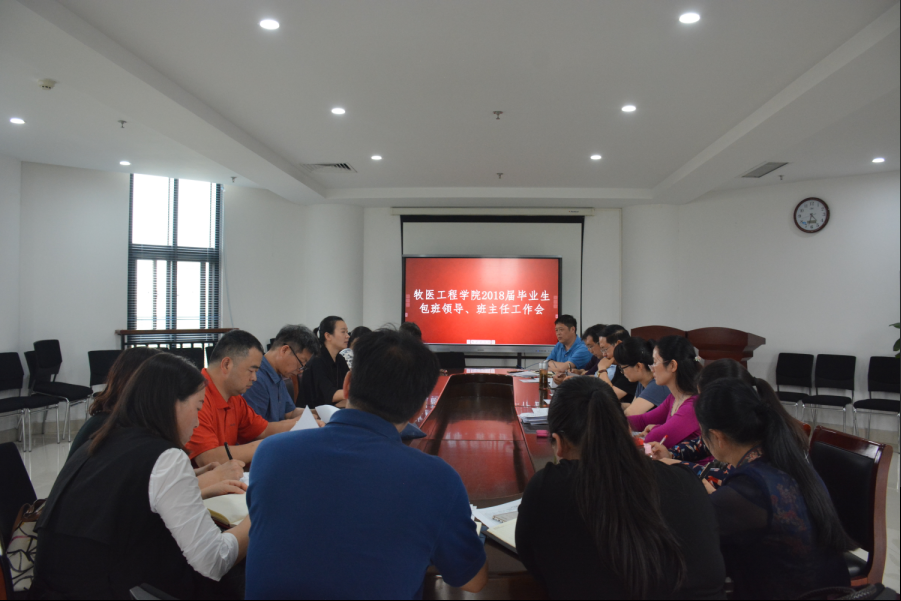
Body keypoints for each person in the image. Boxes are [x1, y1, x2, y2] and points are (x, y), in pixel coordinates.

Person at [245, 330, 488, 599]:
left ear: (347, 384)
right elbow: (473, 581)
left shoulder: (271, 453)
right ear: (419, 409)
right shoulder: (437, 480)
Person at [33, 354, 250, 599]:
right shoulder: (166, 456)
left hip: (53, 587)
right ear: (172, 403)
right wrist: (259, 515)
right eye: (198, 407)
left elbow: (128, 505)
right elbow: (214, 560)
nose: (198, 422)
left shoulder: (100, 440)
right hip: (111, 589)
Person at [515, 377, 725, 600]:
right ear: (626, 429)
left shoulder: (547, 488)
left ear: (559, 443)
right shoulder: (685, 481)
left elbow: (536, 565)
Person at [695, 378, 853, 600]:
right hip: (832, 591)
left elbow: (693, 533)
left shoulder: (750, 488)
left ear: (718, 437)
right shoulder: (787, 459)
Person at [69, 347, 245, 488]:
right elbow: (147, 494)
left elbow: (145, 482)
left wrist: (195, 475)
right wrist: (212, 479)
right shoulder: (118, 430)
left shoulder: (115, 422)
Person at [649, 359, 808, 488]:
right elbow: (704, 444)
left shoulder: (758, 440)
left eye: (705, 400)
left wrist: (674, 464)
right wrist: (671, 454)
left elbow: (727, 478)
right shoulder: (753, 419)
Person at [186, 329, 300, 467]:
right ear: (226, 365)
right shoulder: (195, 397)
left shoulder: (234, 397)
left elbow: (263, 429)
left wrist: (301, 425)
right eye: (251, 371)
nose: (254, 378)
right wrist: (268, 445)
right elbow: (208, 458)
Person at [627, 336, 702, 447]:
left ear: (672, 365)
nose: (652, 368)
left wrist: (656, 428)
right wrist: (613, 420)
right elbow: (643, 420)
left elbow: (655, 438)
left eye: (655, 362)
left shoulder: (692, 406)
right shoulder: (674, 397)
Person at [243, 325, 320, 422]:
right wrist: (295, 423)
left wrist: (320, 413)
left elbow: (290, 412)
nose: (301, 370)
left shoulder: (278, 375)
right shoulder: (256, 378)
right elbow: (257, 428)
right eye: (301, 362)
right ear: (284, 350)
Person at [300, 316, 350, 408]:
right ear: (328, 336)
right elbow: (330, 395)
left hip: (333, 408)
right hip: (314, 412)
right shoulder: (317, 360)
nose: (347, 336)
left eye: (347, 332)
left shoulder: (340, 359)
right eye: (343, 332)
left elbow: (348, 385)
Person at [614, 337, 670, 416]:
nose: (622, 372)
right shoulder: (642, 382)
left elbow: (629, 415)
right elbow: (633, 407)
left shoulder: (657, 385)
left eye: (622, 368)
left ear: (638, 366)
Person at [594, 324, 637, 403]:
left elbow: (609, 397)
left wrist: (602, 369)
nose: (604, 355)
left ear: (618, 344)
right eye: (602, 350)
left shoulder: (631, 365)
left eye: (605, 349)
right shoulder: (620, 363)